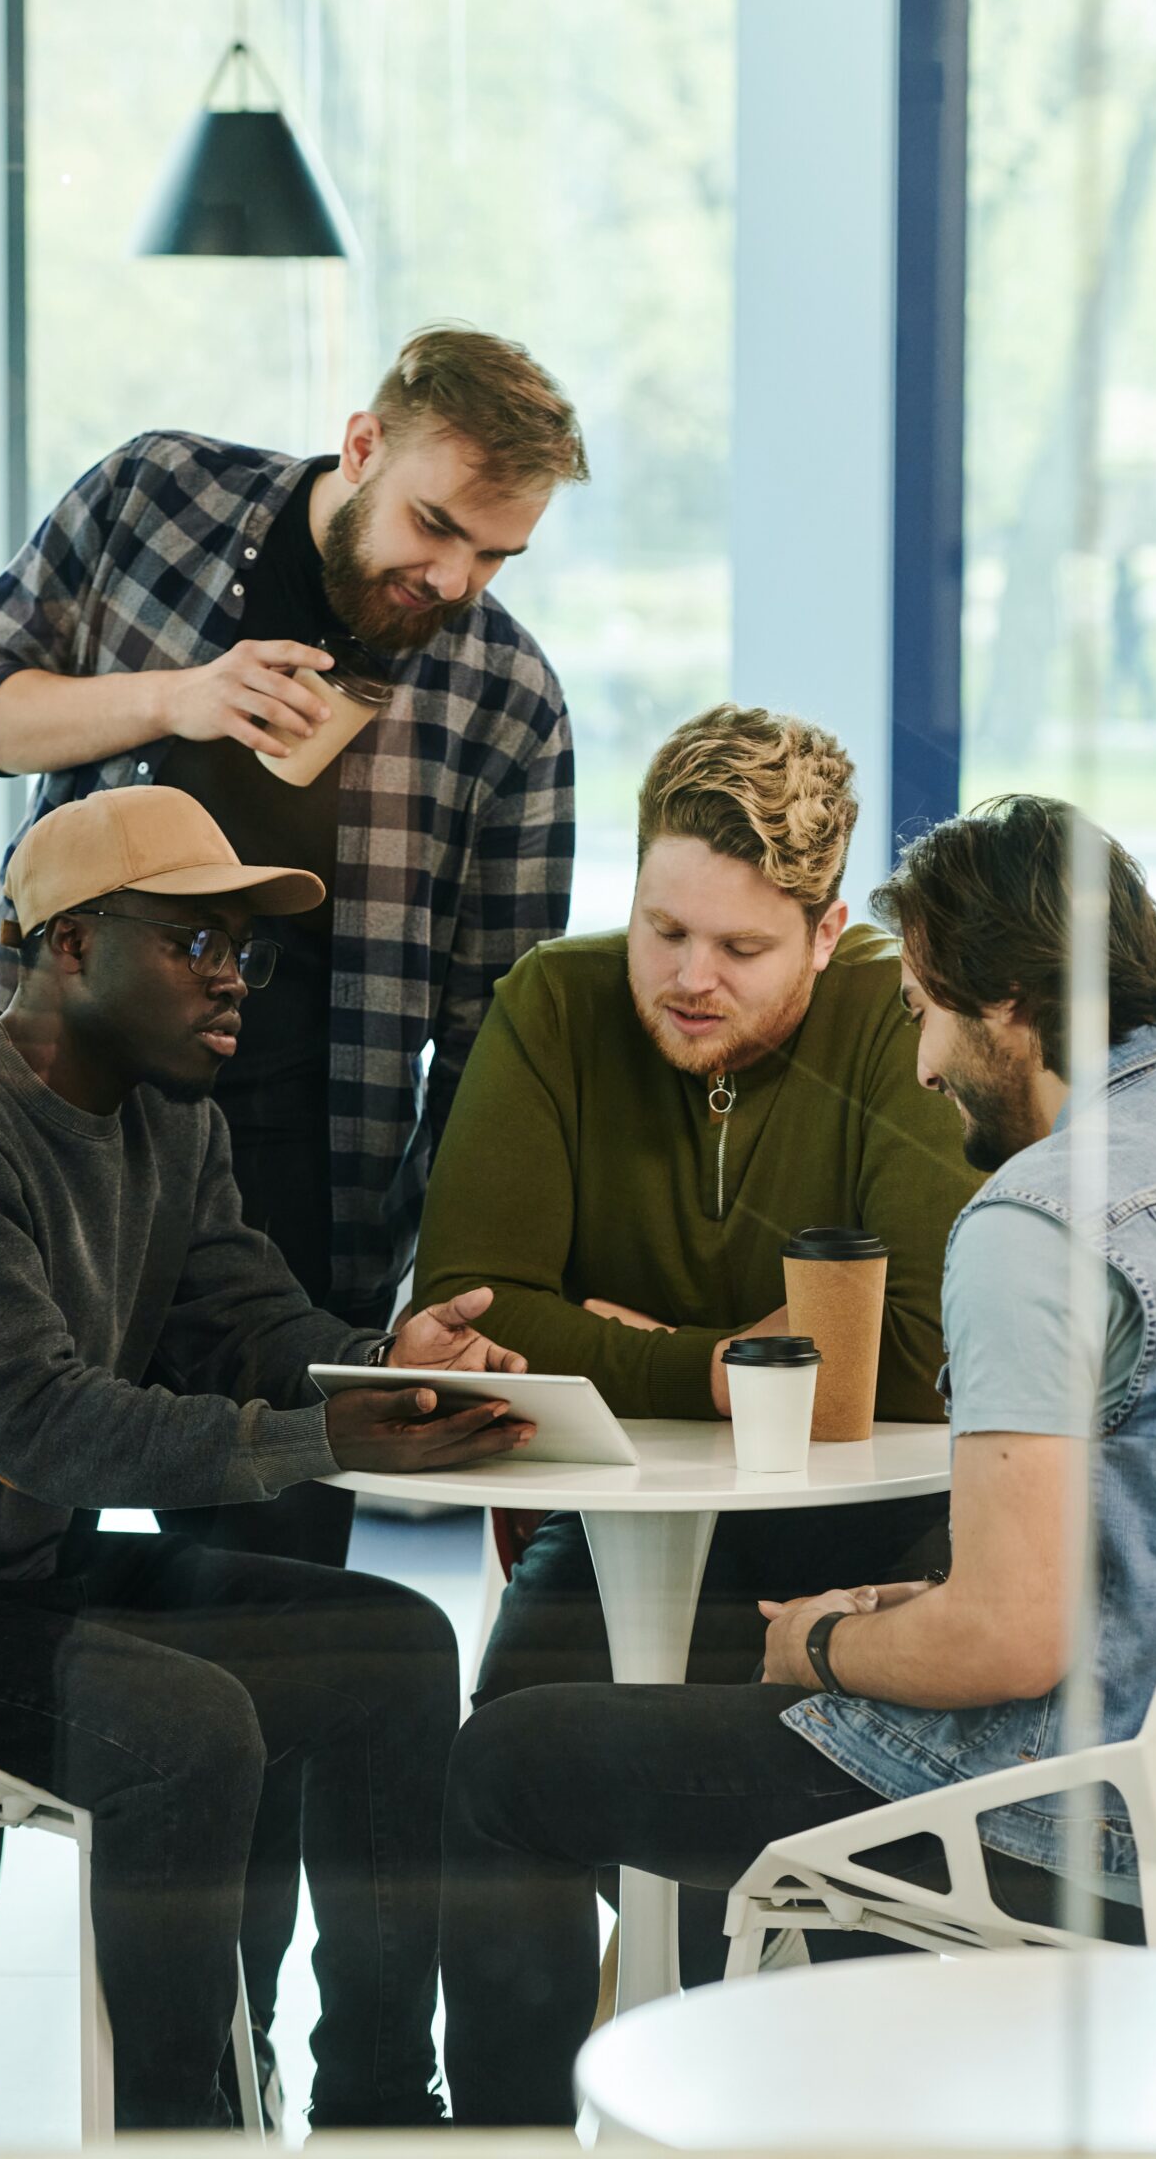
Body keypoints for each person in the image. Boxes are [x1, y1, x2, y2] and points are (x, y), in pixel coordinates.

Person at [436, 793, 1156, 2126]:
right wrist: (910, 1617)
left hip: (1082, 1830)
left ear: (1007, 1007)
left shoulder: (1037, 1220)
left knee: (511, 1760)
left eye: (920, 1010)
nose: (915, 1064)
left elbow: (1007, 1648)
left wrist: (822, 1647)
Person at [0, 789, 534, 2135]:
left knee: (398, 1646)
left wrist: (389, 1364)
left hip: (2, 1585)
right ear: (68, 945)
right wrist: (320, 1441)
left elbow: (248, 1325)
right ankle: (183, 2129)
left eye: (244, 945)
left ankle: (377, 2104)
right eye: (194, 940)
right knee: (182, 1734)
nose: (235, 975)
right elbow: (46, 1426)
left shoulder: (172, 1120)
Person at [412, 705, 980, 1744]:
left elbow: (923, 1352)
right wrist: (725, 1368)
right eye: (663, 930)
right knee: (505, 1758)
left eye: (741, 946)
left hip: (871, 1517)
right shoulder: (553, 1002)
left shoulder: (900, 1010)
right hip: (626, 1504)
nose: (689, 979)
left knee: (776, 1796)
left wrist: (622, 1347)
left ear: (825, 933)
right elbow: (469, 1323)